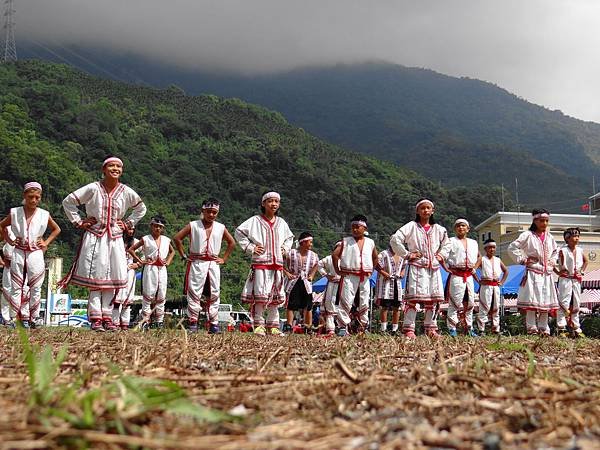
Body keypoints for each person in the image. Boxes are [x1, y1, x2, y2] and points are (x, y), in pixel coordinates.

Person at [61, 157, 147, 332]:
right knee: (96, 278)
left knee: (112, 278)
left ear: (122, 170)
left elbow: (141, 208)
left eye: (118, 166)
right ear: (104, 169)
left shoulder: (125, 191)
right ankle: (95, 318)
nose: (115, 169)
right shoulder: (93, 188)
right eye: (111, 166)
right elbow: (68, 201)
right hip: (95, 235)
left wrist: (128, 223)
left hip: (115, 237)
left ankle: (107, 316)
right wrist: (78, 221)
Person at [0, 182, 61, 328]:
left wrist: (46, 243)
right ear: (24, 196)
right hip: (19, 250)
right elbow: (2, 225)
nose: (33, 200)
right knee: (16, 285)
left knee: (36, 285)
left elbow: (56, 229)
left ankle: (33, 318)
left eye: (36, 197)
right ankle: (12, 318)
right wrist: (9, 239)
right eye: (30, 197)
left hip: (35, 252)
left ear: (40, 198)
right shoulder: (15, 212)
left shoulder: (43, 214)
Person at [235, 191, 294, 336]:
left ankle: (273, 326)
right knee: (260, 295)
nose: (273, 204)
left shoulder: (281, 223)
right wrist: (251, 248)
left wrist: (285, 249)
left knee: (276, 296)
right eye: (270, 201)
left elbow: (290, 238)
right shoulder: (255, 220)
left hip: (277, 264)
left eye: (276, 201)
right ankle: (259, 325)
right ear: (263, 203)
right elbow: (239, 232)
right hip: (261, 263)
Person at [173, 198, 235, 334]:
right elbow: (177, 238)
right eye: (208, 212)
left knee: (214, 293)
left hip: (213, 263)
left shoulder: (220, 227)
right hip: (197, 262)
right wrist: (184, 255)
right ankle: (193, 323)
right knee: (194, 292)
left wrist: (223, 259)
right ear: (203, 211)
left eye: (214, 212)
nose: (211, 215)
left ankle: (214, 324)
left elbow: (232, 242)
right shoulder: (194, 225)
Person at [390, 198, 450, 339]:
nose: (425, 210)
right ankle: (409, 329)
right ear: (417, 211)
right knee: (413, 299)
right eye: (422, 208)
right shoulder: (411, 226)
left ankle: (431, 328)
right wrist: (407, 254)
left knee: (433, 300)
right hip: (417, 267)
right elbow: (395, 239)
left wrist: (441, 256)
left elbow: (447, 244)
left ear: (432, 211)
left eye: (428, 208)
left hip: (433, 268)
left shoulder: (440, 229)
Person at [507, 209, 558, 336]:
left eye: (546, 221)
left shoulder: (550, 237)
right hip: (533, 272)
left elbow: (556, 252)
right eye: (541, 221)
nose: (544, 223)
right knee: (532, 301)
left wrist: (552, 261)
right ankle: (532, 328)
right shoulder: (527, 235)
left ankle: (544, 328)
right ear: (534, 221)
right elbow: (512, 247)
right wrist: (523, 259)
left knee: (545, 301)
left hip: (546, 273)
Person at [332, 215, 378, 336]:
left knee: (364, 301)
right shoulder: (345, 241)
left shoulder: (370, 242)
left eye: (357, 227)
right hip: (349, 275)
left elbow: (375, 257)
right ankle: (342, 326)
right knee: (346, 300)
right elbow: (335, 255)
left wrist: (372, 269)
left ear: (364, 228)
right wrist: (338, 270)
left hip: (365, 276)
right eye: (353, 227)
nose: (355, 230)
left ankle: (363, 326)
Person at [128, 215, 175, 329]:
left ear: (162, 228)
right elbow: (131, 249)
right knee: (148, 295)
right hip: (150, 268)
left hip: (162, 269)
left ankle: (159, 321)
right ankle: (145, 321)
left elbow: (172, 251)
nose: (157, 229)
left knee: (161, 295)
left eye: (160, 227)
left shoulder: (166, 239)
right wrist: (141, 261)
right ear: (151, 226)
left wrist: (168, 261)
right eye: (155, 226)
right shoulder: (146, 239)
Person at [440, 217, 480, 337]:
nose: (461, 228)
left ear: (468, 229)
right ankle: (452, 329)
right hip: (456, 275)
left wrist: (475, 268)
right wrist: (446, 268)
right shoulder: (450, 241)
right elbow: (442, 256)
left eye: (463, 225)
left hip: (469, 276)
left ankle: (469, 328)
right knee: (455, 303)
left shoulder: (473, 242)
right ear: (455, 229)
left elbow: (479, 257)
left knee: (470, 303)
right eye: (458, 226)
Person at [283, 231, 319, 334]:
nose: (311, 244)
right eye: (309, 242)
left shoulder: (313, 255)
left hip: (306, 282)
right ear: (303, 242)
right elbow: (280, 262)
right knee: (291, 305)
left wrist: (312, 275)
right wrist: (286, 273)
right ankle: (289, 326)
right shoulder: (291, 253)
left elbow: (317, 264)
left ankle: (308, 327)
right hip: (293, 281)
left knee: (308, 306)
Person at [555, 227, 588, 338]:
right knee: (564, 302)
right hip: (565, 279)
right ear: (567, 238)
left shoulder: (580, 250)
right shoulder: (562, 250)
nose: (577, 238)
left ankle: (576, 327)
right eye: (574, 236)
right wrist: (558, 272)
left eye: (578, 236)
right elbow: (552, 262)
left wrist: (582, 271)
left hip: (576, 279)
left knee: (576, 302)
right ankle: (561, 327)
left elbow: (586, 261)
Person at [476, 239, 508, 335]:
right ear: (485, 248)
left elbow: (506, 271)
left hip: (496, 287)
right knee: (484, 307)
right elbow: (473, 270)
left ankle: (495, 329)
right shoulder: (482, 259)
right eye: (490, 247)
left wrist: (502, 282)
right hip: (485, 286)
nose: (492, 249)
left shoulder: (498, 260)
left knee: (496, 308)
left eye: (493, 247)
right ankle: (481, 329)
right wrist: (478, 280)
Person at [112, 228, 140, 330]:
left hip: (130, 273)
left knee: (127, 301)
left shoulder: (136, 242)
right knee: (116, 299)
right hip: (117, 271)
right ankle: (114, 323)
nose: (131, 231)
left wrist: (138, 263)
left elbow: (147, 253)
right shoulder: (117, 240)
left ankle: (124, 324)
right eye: (129, 229)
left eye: (133, 229)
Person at [374, 245, 405, 335]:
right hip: (386, 283)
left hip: (397, 283)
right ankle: (383, 329)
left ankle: (394, 329)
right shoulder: (383, 254)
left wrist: (402, 273)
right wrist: (384, 273)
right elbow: (376, 265)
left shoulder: (402, 254)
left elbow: (404, 266)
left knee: (397, 307)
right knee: (385, 307)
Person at [317, 241, 342, 337]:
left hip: (343, 285)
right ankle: (330, 328)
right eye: (338, 248)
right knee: (330, 304)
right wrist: (326, 275)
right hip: (332, 284)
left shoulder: (347, 259)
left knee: (344, 305)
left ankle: (343, 327)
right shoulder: (329, 258)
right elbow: (319, 264)